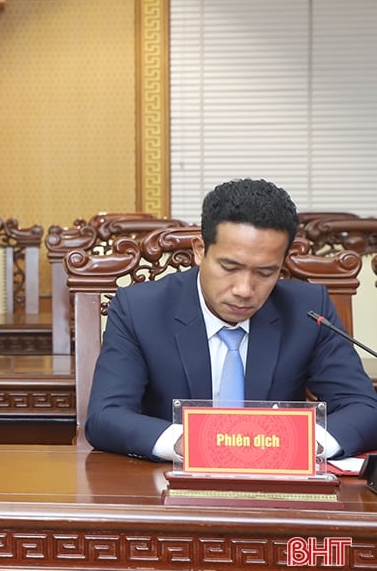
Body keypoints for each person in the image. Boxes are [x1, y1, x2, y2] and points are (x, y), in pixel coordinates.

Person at [85, 178, 377, 461]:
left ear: (282, 265)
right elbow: (105, 416)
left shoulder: (308, 310)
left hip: (279, 492)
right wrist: (189, 443)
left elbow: (364, 408)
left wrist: (304, 444)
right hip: (169, 491)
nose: (244, 290)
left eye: (265, 273)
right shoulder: (140, 309)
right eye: (229, 267)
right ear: (200, 251)